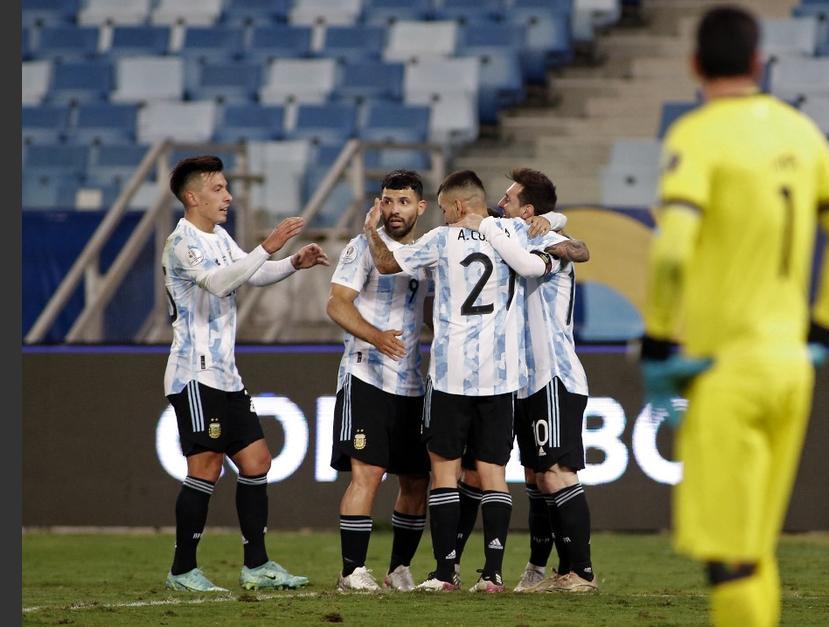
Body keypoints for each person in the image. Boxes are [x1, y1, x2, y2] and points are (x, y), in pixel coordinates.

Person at [639, 7, 829, 626]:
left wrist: (659, 343)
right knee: (753, 552)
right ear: (758, 62)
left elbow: (669, 253)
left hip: (728, 371)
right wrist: (821, 329)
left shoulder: (698, 134)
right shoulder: (801, 132)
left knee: (729, 560)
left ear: (694, 66)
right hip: (791, 367)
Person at [364, 170, 557, 593]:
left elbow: (384, 263)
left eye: (443, 207)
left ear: (455, 206)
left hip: (451, 374)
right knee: (493, 474)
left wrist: (370, 231)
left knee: (445, 473)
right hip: (500, 376)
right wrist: (548, 221)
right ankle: (492, 575)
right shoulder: (510, 231)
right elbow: (555, 232)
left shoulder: (440, 238)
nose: (443, 214)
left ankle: (446, 573)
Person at [162, 155, 329, 593]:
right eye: (218, 188)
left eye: (226, 187)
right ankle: (182, 570)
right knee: (206, 467)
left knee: (257, 461)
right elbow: (219, 283)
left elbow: (251, 275)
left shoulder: (218, 235)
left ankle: (257, 566)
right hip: (193, 374)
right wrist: (269, 245)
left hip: (226, 374)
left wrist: (293, 262)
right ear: (192, 196)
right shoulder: (183, 243)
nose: (228, 196)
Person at [454, 168, 597, 594]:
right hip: (522, 379)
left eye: (510, 198)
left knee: (555, 472)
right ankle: (540, 568)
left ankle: (581, 572)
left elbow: (581, 250)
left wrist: (555, 227)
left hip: (552, 372)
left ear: (528, 209)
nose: (501, 202)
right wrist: (551, 220)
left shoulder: (535, 237)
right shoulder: (520, 232)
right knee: (535, 476)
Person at [326, 170, 433, 592]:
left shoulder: (426, 253)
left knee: (416, 479)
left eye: (403, 202)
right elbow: (336, 304)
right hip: (365, 372)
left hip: (410, 383)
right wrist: (376, 337)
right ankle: (352, 571)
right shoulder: (361, 247)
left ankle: (398, 569)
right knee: (368, 473)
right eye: (387, 201)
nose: (393, 210)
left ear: (420, 208)